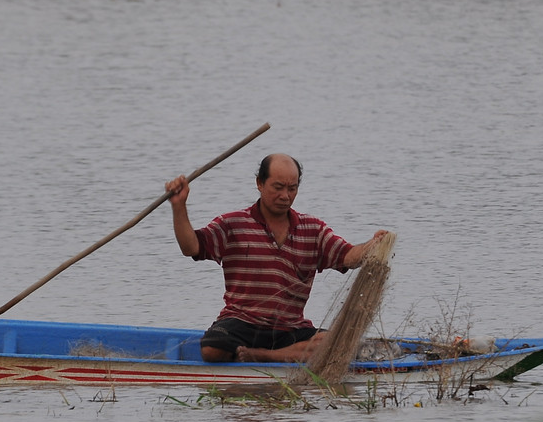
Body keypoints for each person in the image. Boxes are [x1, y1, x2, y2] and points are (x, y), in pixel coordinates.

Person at [166, 153, 388, 363]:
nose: (285, 196)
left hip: (290, 328)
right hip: (243, 322)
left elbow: (348, 256)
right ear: (260, 184)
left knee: (336, 342)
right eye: (278, 187)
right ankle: (275, 355)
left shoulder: (312, 229)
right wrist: (179, 206)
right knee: (212, 348)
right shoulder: (232, 224)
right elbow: (191, 247)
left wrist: (371, 246)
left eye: (292, 188)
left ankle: (264, 356)